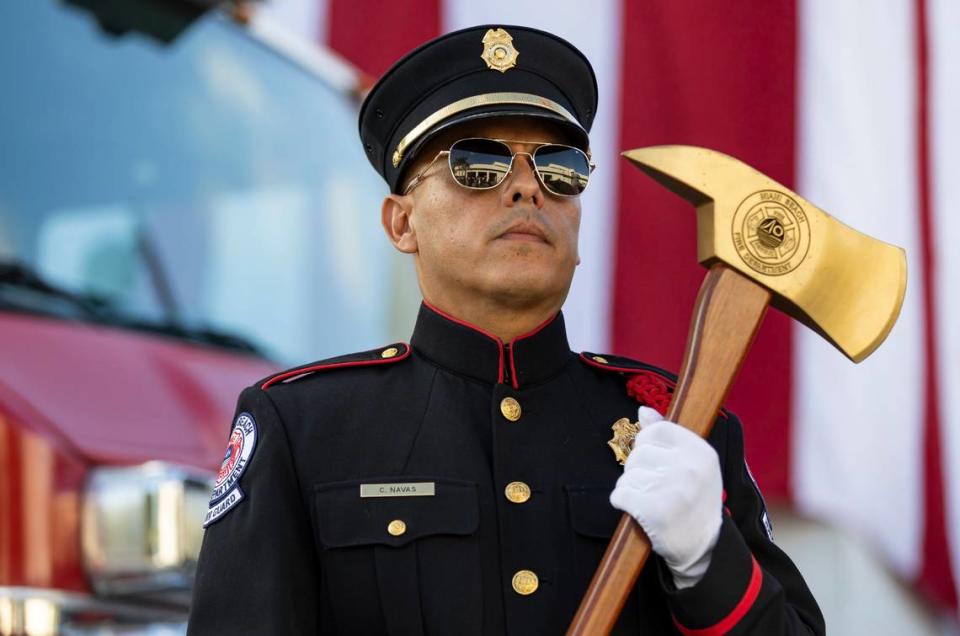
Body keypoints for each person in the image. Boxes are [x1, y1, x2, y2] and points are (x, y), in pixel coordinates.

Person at [187, 25, 824, 635]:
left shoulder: (682, 426)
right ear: (401, 223)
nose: (527, 187)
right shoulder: (304, 427)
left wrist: (706, 561)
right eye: (477, 164)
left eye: (562, 169)